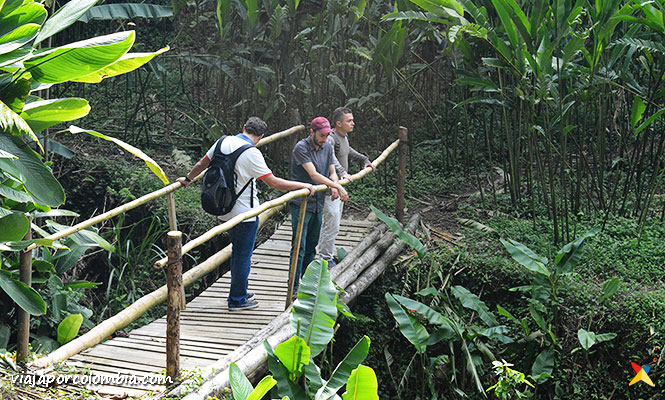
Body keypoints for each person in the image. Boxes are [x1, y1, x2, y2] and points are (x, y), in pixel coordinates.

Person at [177, 117, 315, 311]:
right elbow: (273, 183)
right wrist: (303, 185)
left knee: (237, 252)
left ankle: (239, 290)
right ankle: (237, 299)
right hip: (245, 215)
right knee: (243, 256)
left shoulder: (223, 141)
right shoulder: (251, 153)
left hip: (222, 210)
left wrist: (187, 179)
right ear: (261, 136)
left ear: (243, 128)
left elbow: (202, 163)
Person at [289, 117, 349, 294]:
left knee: (312, 243)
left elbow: (331, 170)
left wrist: (334, 181)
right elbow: (313, 174)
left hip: (318, 202)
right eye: (321, 135)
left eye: (326, 135)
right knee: (299, 244)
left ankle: (309, 281)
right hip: (301, 203)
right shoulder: (301, 148)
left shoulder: (327, 146)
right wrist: (336, 186)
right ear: (312, 132)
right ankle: (293, 285)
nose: (324, 138)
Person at [318, 107, 375, 267]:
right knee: (331, 224)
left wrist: (364, 159)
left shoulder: (343, 137)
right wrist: (342, 172)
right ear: (338, 123)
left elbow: (347, 150)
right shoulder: (330, 139)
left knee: (332, 224)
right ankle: (325, 258)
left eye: (352, 120)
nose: (353, 123)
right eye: (349, 121)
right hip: (331, 189)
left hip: (339, 186)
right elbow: (331, 158)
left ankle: (325, 255)